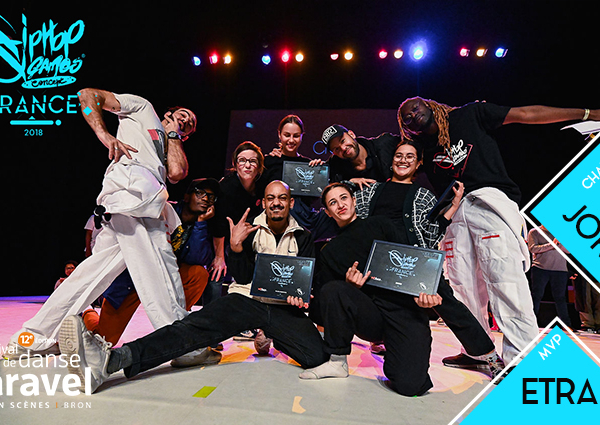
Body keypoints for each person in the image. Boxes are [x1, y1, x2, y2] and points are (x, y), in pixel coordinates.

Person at [57, 181, 328, 393]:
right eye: (271, 198)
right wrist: (235, 248)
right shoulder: (248, 230)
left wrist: (299, 299)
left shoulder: (304, 237)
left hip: (283, 310)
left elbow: (302, 283)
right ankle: (111, 361)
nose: (276, 203)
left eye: (282, 198)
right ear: (264, 202)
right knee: (188, 329)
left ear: (291, 202)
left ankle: (271, 338)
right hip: (246, 301)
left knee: (316, 356)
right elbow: (244, 276)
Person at [397, 97, 599, 367]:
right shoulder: (422, 147)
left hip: (487, 203)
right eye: (406, 117)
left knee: (505, 280)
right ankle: (477, 351)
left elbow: (526, 112)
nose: (412, 115)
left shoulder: (469, 115)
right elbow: (376, 153)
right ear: (406, 128)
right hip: (454, 214)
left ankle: (522, 356)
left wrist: (587, 113)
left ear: (429, 104)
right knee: (461, 286)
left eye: (414, 107)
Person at [6, 89, 197, 360]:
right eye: (184, 115)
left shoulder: (165, 145)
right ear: (169, 112)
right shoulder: (144, 108)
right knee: (160, 269)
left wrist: (175, 134)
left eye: (191, 124)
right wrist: (103, 134)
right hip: (132, 196)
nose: (187, 120)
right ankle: (181, 344)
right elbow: (87, 96)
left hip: (138, 201)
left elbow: (177, 172)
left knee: (88, 277)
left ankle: (28, 339)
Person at [352, 140, 503, 377]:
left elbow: (431, 233)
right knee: (370, 301)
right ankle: (379, 339)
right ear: (392, 161)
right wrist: (349, 182)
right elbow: (352, 220)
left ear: (417, 164)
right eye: (399, 155)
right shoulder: (371, 191)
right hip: (379, 263)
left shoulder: (423, 195)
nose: (403, 160)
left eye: (409, 157)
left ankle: (488, 356)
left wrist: (453, 206)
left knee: (451, 307)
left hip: (415, 261)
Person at [299, 182, 442, 396]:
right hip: (371, 316)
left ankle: (397, 356)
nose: (340, 205)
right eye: (333, 202)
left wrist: (426, 294)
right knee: (334, 289)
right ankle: (337, 362)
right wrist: (350, 287)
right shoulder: (330, 251)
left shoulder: (380, 224)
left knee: (410, 386)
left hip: (404, 311)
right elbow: (324, 306)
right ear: (327, 212)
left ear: (354, 200)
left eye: (344, 198)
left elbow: (412, 259)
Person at [81, 178, 225, 349]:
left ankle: (174, 323)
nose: (206, 199)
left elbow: (198, 259)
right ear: (187, 196)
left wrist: (200, 223)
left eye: (211, 196)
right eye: (200, 193)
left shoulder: (202, 226)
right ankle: (87, 312)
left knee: (198, 274)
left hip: (163, 279)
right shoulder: (164, 211)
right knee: (105, 339)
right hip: (132, 280)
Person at [258, 115, 334, 241]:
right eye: (287, 135)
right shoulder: (268, 162)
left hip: (304, 221)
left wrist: (319, 174)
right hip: (275, 220)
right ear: (279, 135)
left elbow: (313, 197)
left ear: (302, 136)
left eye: (296, 136)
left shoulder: (308, 164)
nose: (291, 140)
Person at [321, 124, 400, 189]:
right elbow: (322, 191)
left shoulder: (385, 144)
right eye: (337, 149)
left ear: (352, 134)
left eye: (343, 141)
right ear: (334, 153)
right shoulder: (334, 168)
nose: (343, 148)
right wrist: (349, 183)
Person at [527, 225, 572, 328]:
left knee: (560, 298)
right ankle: (530, 323)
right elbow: (533, 248)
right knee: (536, 296)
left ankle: (566, 324)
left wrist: (558, 244)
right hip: (540, 268)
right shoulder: (534, 232)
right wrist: (552, 244)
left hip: (560, 269)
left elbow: (569, 250)